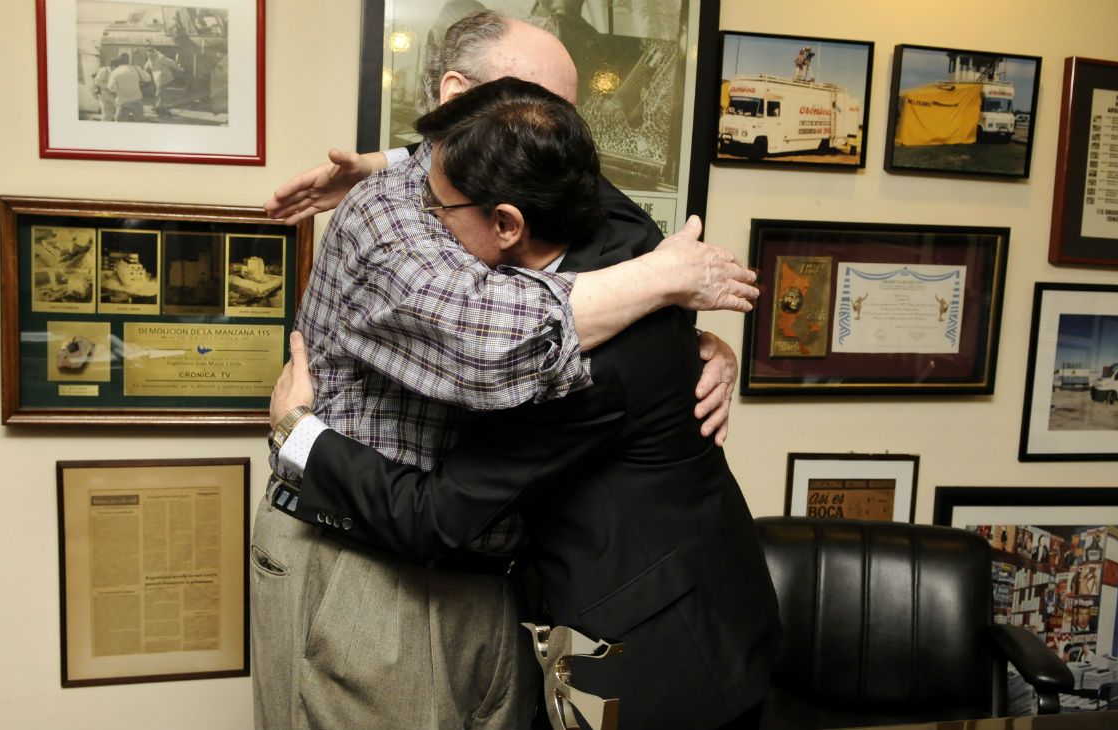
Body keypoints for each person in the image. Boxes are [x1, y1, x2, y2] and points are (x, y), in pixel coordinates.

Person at [251, 12, 759, 730]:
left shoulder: (529, 188)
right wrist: (665, 283)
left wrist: (690, 333)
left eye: (564, 117)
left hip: (538, 594)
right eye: (536, 104)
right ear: (464, 94)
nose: (559, 131)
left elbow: (603, 218)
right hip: (363, 560)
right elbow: (491, 349)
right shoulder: (392, 220)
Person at [145, 46, 182, 117]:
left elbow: (171, 63)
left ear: (154, 52)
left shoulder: (161, 57)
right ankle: (159, 107)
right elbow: (146, 66)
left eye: (150, 54)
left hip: (163, 77)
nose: (150, 56)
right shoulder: (150, 58)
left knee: (160, 92)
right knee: (160, 92)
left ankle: (159, 107)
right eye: (148, 55)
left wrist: (178, 68)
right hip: (157, 77)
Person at [108, 52, 145, 122]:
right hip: (136, 100)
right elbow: (148, 78)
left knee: (119, 123)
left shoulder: (115, 71)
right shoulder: (136, 68)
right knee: (140, 123)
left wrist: (118, 86)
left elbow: (111, 88)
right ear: (129, 60)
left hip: (123, 102)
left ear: (119, 61)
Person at [92, 57, 118, 122]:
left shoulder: (115, 72)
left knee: (111, 112)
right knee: (106, 113)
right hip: (102, 93)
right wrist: (107, 87)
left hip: (111, 94)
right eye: (117, 67)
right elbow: (97, 82)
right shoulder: (104, 70)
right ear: (113, 66)